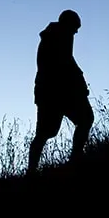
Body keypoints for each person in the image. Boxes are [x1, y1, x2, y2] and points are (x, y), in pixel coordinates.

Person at [28, 9, 93, 175]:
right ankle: (33, 170)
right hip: (56, 92)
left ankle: (33, 170)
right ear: (67, 24)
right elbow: (65, 64)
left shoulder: (55, 36)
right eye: (75, 28)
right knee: (45, 133)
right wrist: (79, 83)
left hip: (53, 92)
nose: (76, 32)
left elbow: (67, 62)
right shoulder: (60, 36)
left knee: (46, 133)